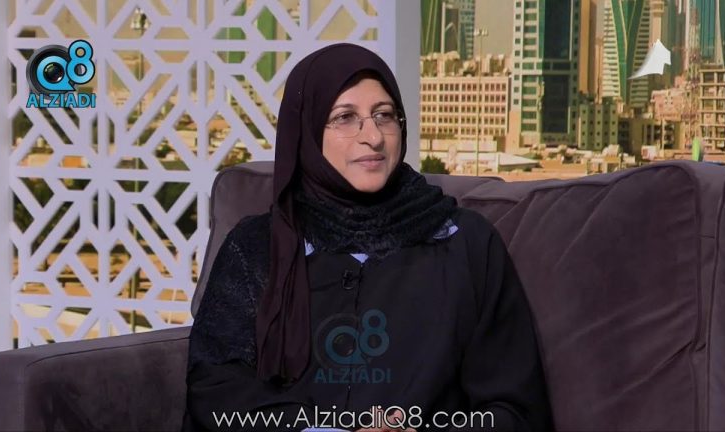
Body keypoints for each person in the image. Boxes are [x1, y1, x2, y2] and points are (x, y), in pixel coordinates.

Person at [182, 43, 552, 431]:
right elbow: (215, 388)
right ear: (306, 132)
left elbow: (516, 410)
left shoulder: (465, 243)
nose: (373, 136)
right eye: (345, 117)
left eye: (384, 115)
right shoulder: (258, 245)